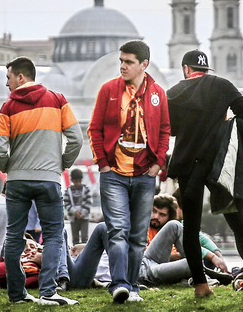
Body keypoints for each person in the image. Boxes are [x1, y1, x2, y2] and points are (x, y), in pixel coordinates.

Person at [166, 50, 243, 298]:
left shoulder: (173, 93)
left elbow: (170, 129)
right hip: (219, 163)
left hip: (187, 165)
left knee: (191, 227)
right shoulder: (222, 85)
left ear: (185, 69)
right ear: (207, 70)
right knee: (238, 223)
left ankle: (201, 285)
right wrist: (225, 128)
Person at [0, 56, 83, 305]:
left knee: (14, 237)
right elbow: (76, 139)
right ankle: (48, 292)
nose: (6, 84)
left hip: (18, 181)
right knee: (54, 235)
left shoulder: (7, 108)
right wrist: (61, 164)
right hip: (49, 179)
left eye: (8, 77)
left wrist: (9, 168)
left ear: (21, 77)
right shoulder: (58, 100)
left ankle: (17, 294)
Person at [87, 40, 170, 303]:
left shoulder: (157, 93)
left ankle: (132, 286)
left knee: (137, 235)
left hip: (145, 175)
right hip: (114, 175)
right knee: (118, 231)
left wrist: (158, 164)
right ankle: (119, 284)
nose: (122, 66)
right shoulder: (108, 90)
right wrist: (103, 163)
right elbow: (95, 128)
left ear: (143, 65)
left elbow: (165, 129)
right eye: (121, 61)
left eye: (129, 62)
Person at [67, 195, 230, 289]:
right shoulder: (139, 226)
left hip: (147, 260)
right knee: (188, 263)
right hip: (140, 272)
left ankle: (203, 275)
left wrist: (216, 254)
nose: (155, 217)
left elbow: (200, 237)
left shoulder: (168, 229)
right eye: (153, 212)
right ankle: (205, 277)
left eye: (162, 214)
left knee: (175, 227)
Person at [64, 168, 93, 245]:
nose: (78, 183)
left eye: (79, 181)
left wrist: (82, 213)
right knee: (75, 238)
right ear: (72, 180)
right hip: (73, 218)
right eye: (76, 181)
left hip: (84, 218)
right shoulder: (68, 191)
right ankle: (75, 254)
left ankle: (85, 254)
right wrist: (75, 212)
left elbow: (89, 202)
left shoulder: (86, 189)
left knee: (84, 237)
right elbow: (66, 203)